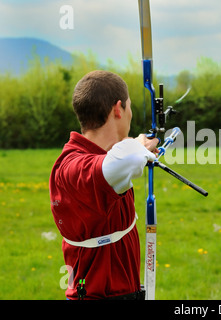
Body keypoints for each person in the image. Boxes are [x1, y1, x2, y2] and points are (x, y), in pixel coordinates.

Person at [49, 70, 159, 300]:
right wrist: (139, 145)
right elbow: (126, 159)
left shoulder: (100, 157)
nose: (130, 114)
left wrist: (135, 148)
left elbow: (120, 161)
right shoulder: (74, 168)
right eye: (129, 107)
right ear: (118, 109)